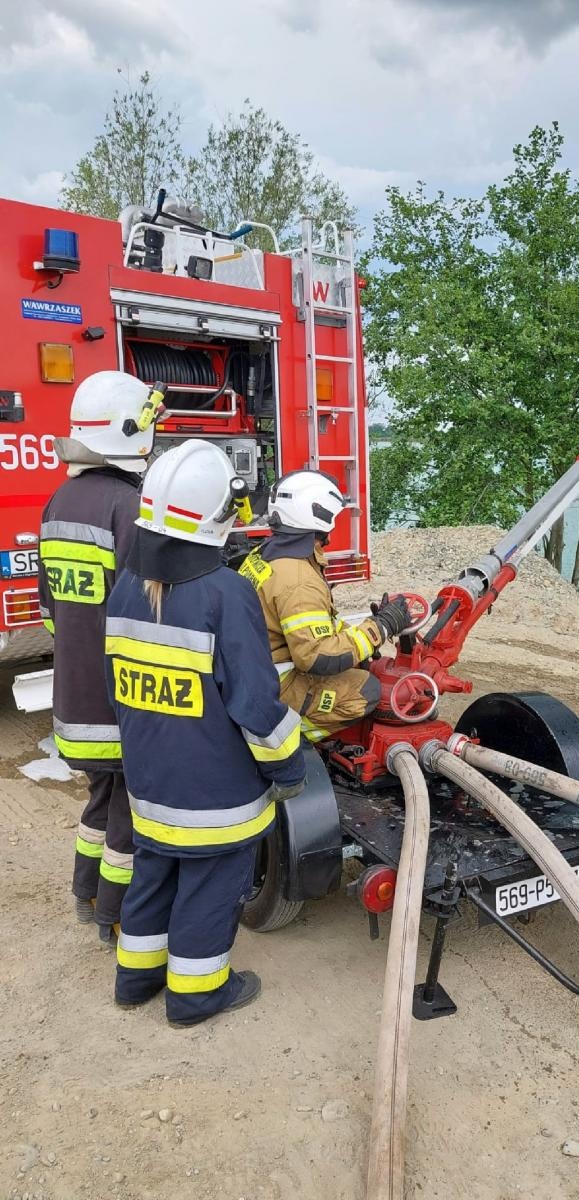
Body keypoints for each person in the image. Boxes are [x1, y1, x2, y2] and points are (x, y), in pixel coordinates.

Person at [107, 439, 306, 1026]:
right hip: (216, 794)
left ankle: (135, 979)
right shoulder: (225, 593)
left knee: (153, 874)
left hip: (149, 782)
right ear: (218, 514)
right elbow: (255, 704)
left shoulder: (127, 585)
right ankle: (196, 996)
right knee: (210, 887)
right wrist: (289, 768)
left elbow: (116, 682)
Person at [38, 370, 162, 944]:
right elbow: (146, 608)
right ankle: (116, 917)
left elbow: (51, 609)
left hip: (74, 695)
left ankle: (85, 893)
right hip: (117, 701)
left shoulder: (59, 501)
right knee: (128, 814)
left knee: (101, 797)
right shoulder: (127, 506)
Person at [238, 470, 411, 741]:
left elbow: (313, 625)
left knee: (358, 663)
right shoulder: (299, 579)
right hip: (275, 685)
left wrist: (362, 633)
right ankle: (290, 739)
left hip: (252, 671)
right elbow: (317, 657)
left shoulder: (265, 554)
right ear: (320, 515)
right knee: (366, 690)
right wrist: (381, 628)